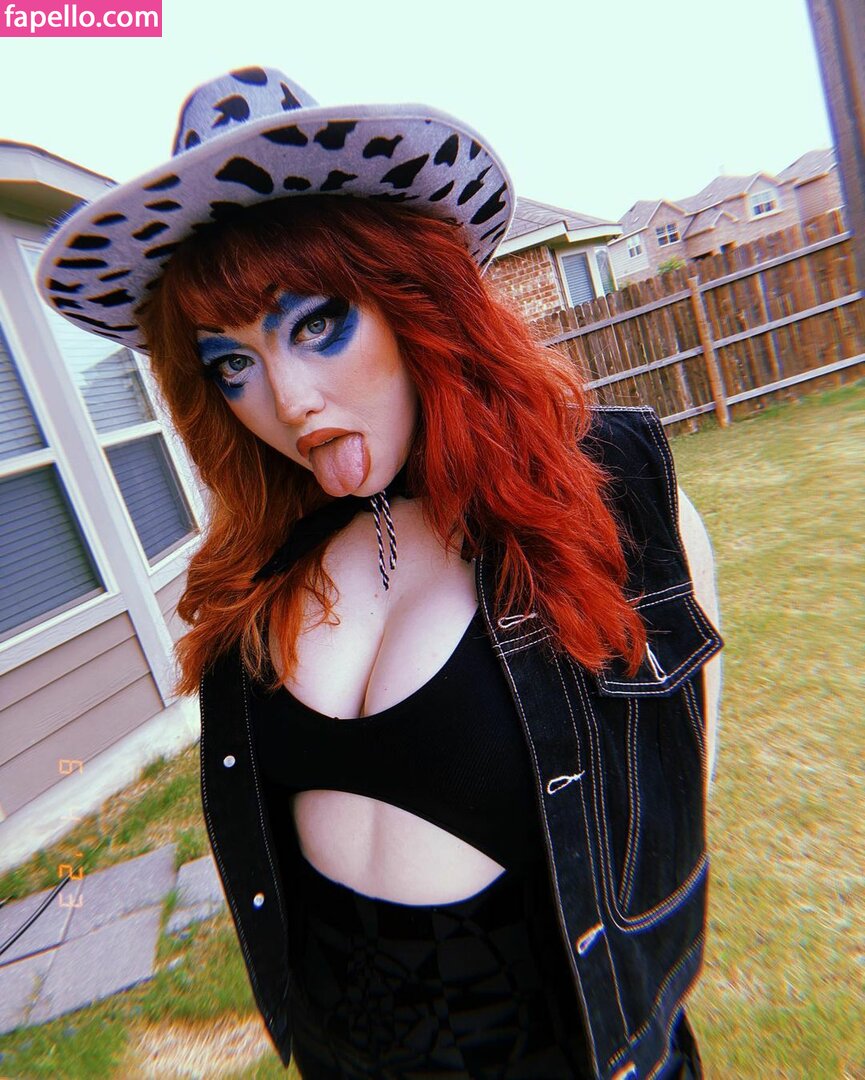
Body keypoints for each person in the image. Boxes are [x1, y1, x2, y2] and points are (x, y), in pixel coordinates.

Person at [39, 66, 722, 1080]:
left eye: (316, 324)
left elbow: (678, 796)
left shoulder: (615, 507)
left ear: (417, 302)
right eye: (232, 364)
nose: (287, 401)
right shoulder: (267, 573)